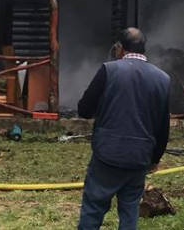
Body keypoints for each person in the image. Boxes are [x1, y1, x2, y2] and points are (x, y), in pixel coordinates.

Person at [77, 27, 171, 230]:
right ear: (144, 49)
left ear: (120, 48)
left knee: (93, 208)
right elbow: (163, 127)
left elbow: (84, 109)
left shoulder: (108, 70)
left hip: (107, 155)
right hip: (139, 157)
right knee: (130, 212)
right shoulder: (163, 79)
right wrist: (155, 159)